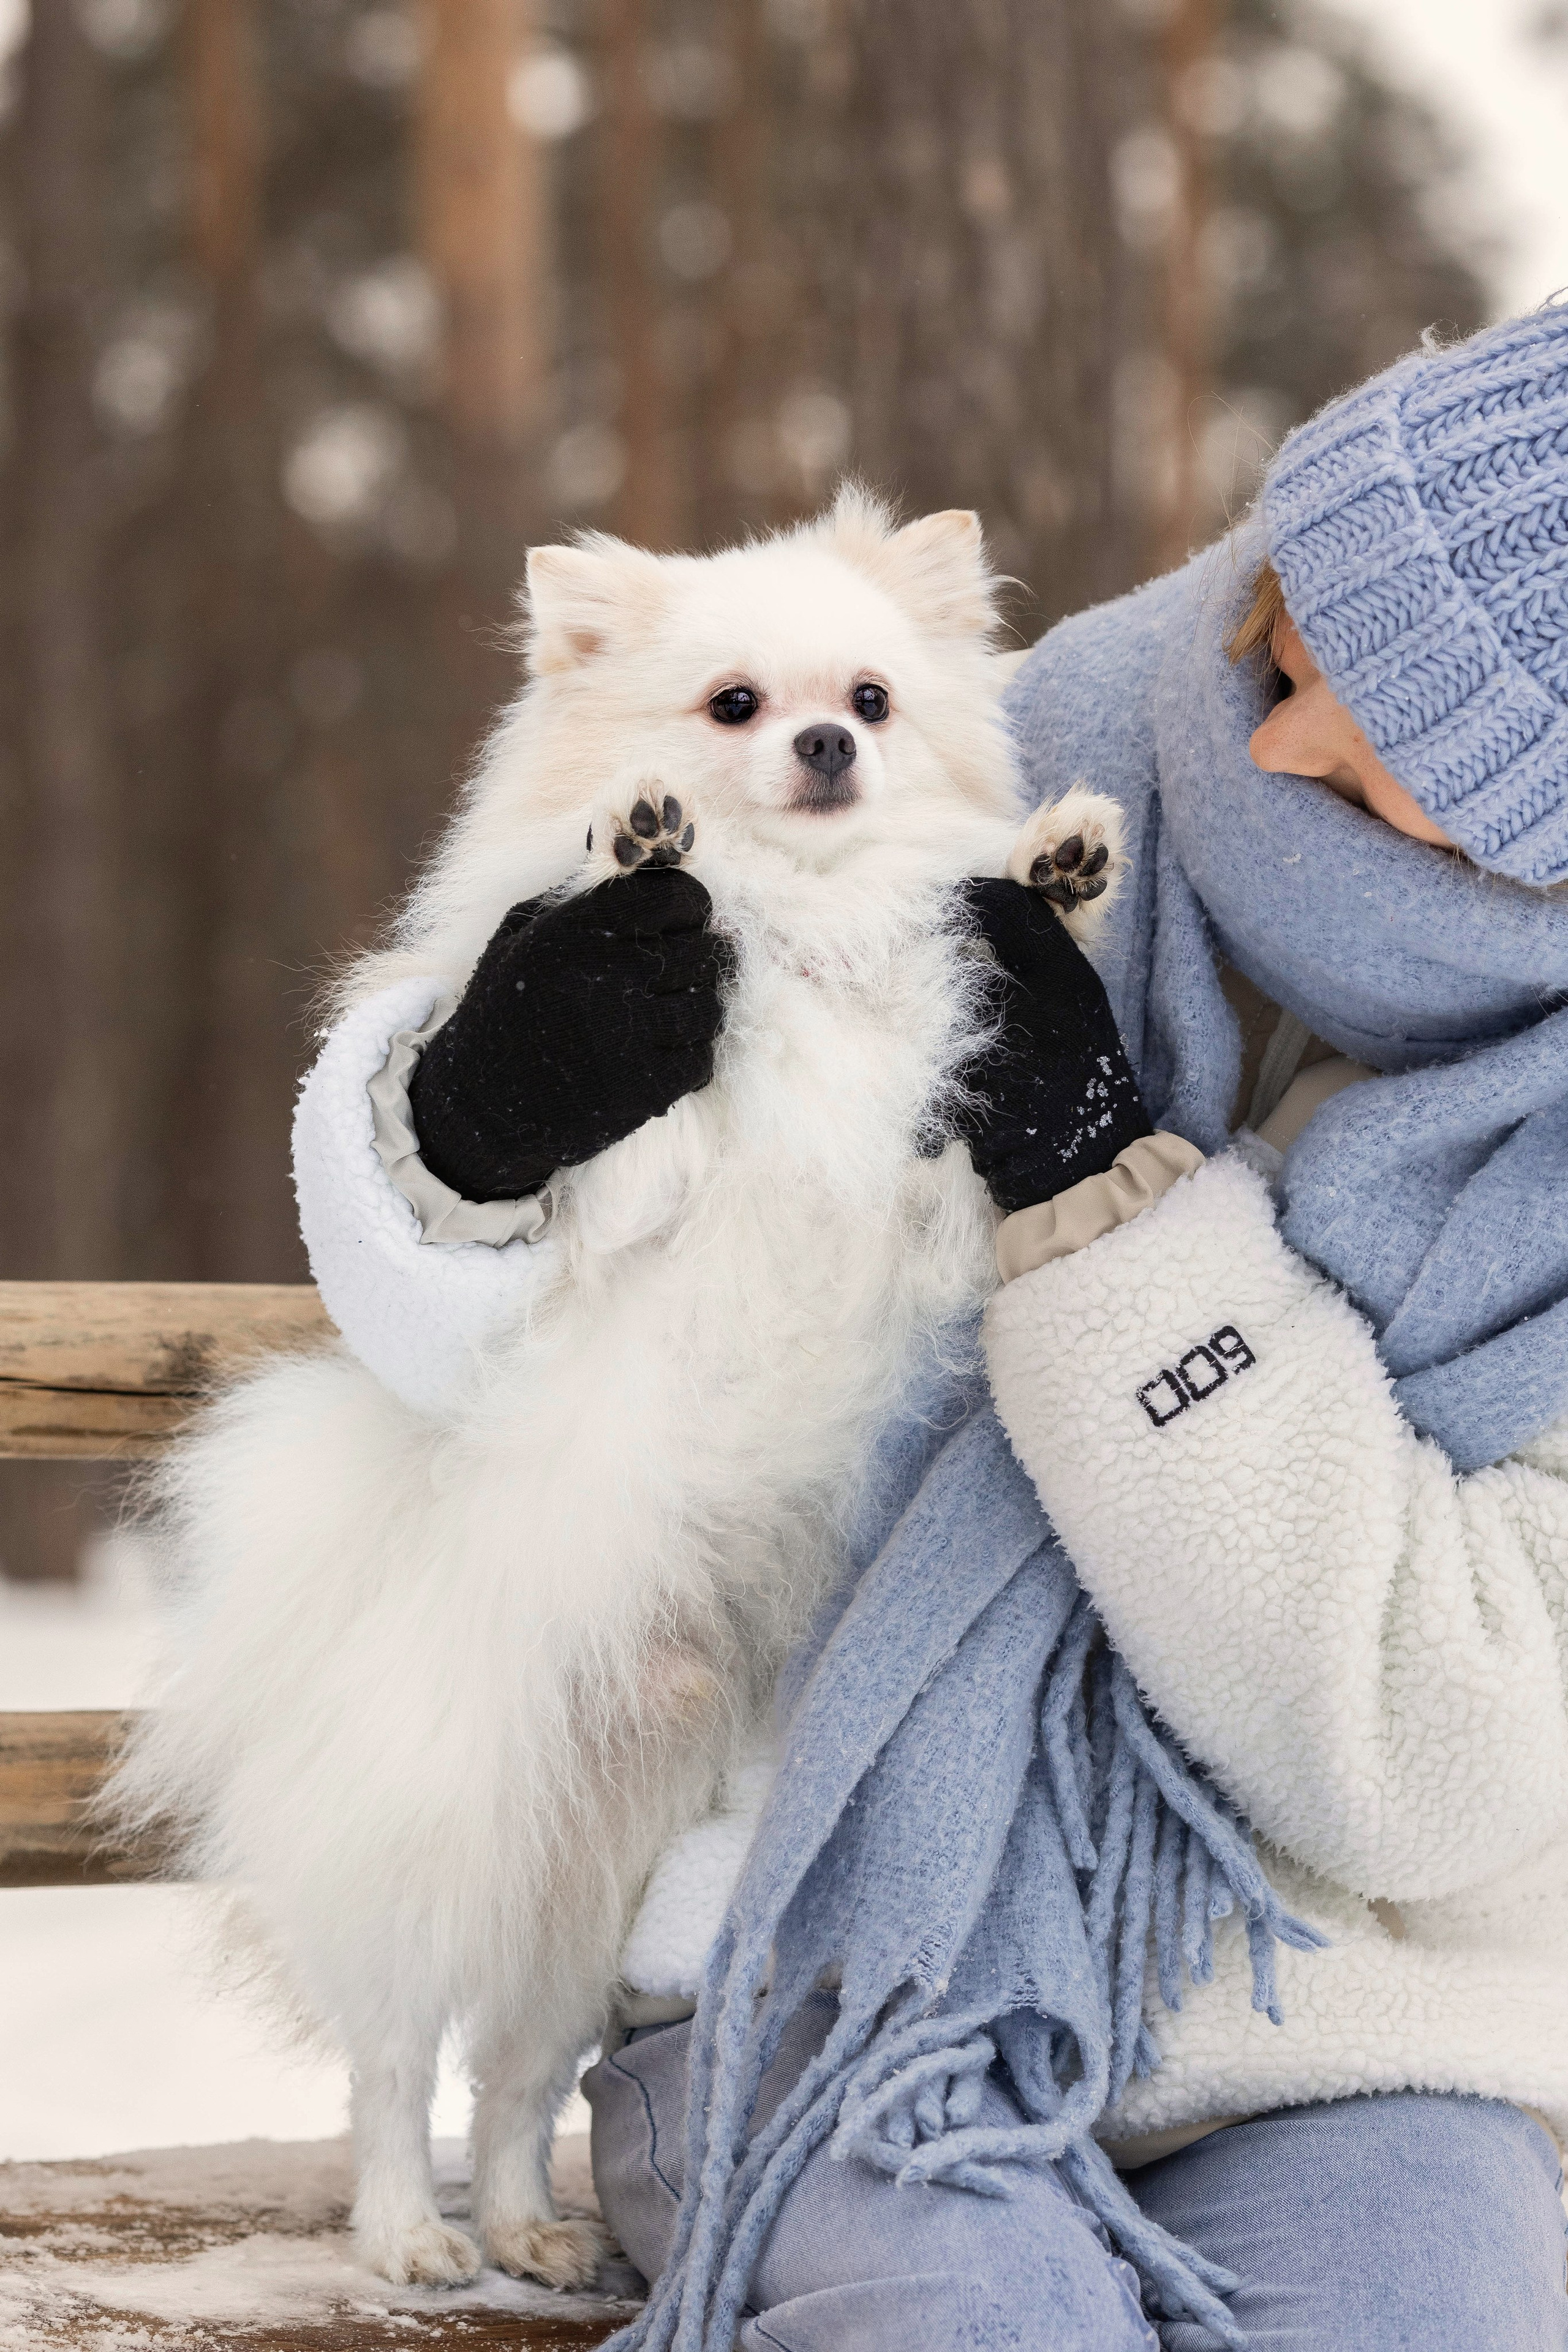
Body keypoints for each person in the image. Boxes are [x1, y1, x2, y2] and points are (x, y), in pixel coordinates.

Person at [294, 303, 1568, 2348]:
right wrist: (465, 1132)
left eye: (1384, 717)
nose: (1270, 728)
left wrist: (1108, 1224)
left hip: (1335, 1995)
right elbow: (509, 1358)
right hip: (808, 1937)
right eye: (1285, 621)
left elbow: (1440, 1752)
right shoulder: (1020, 735)